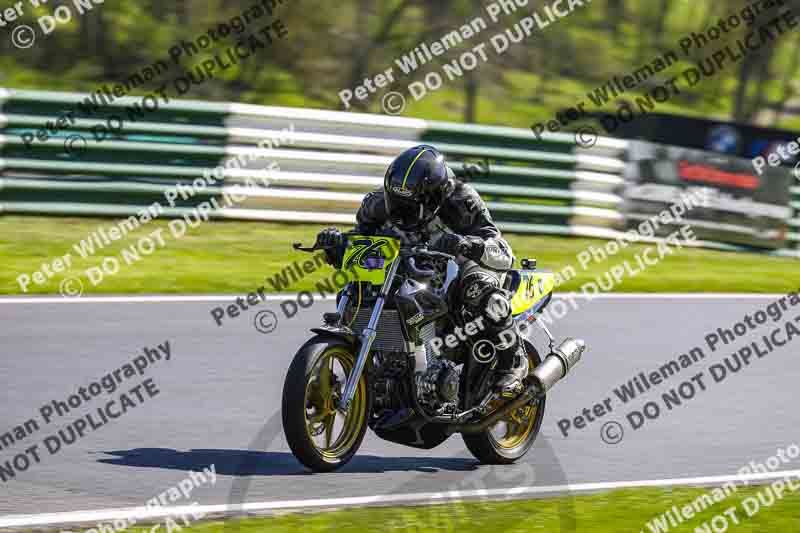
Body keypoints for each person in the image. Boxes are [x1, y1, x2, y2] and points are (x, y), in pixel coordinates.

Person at [315, 145, 528, 394]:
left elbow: (503, 251)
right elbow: (362, 241)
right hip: (407, 267)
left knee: (478, 287)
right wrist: (337, 244)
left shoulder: (462, 201)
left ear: (434, 198)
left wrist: (467, 244)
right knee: (355, 288)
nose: (398, 212)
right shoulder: (375, 205)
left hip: (456, 267)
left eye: (408, 206)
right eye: (394, 202)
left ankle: (512, 359)